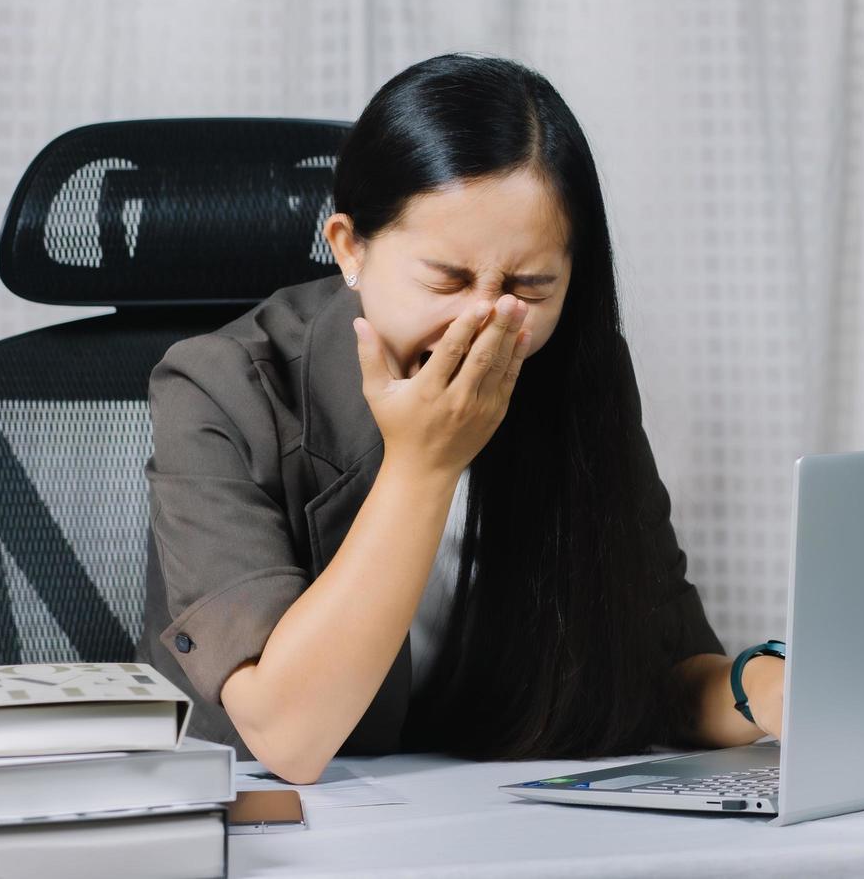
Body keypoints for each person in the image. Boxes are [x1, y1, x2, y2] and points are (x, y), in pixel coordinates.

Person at [136, 52, 784, 785]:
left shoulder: (573, 373)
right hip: (256, 820)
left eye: (529, 286)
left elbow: (657, 673)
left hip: (480, 814)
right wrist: (424, 463)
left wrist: (766, 688)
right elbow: (289, 736)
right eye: (445, 279)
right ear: (350, 249)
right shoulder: (216, 386)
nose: (482, 321)